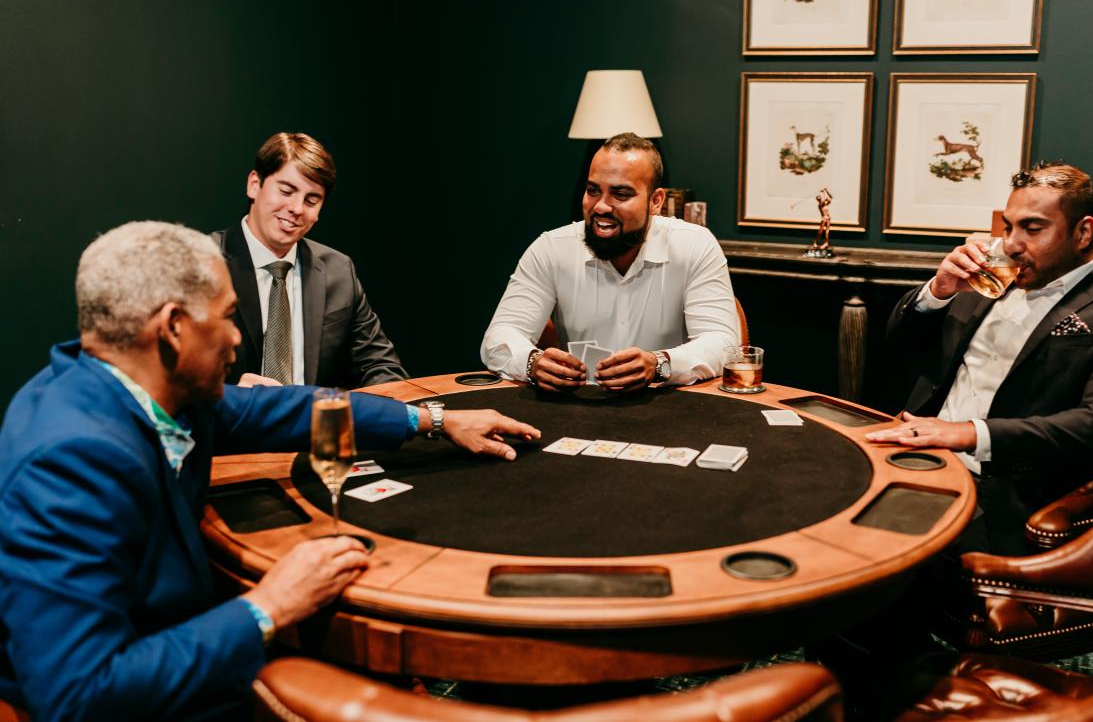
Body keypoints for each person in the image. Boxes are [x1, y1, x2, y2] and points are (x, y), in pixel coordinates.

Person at [0, 222, 539, 721]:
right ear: (173, 328)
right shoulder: (69, 459)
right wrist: (269, 607)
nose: (237, 339)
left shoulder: (151, 389)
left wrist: (434, 420)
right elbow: (77, 696)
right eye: (228, 316)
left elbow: (291, 410)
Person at [865, 161, 1093, 555]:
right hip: (915, 458)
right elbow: (902, 344)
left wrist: (970, 433)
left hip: (1005, 493)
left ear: (1083, 232)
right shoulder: (994, 273)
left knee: (875, 554)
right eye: (1008, 227)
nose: (1012, 244)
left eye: (1032, 229)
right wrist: (939, 291)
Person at [481, 132, 739, 392]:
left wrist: (659, 364)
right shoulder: (551, 248)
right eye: (593, 191)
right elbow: (499, 337)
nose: (601, 207)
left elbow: (723, 343)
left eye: (621, 194)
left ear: (655, 201)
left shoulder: (695, 245)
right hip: (577, 404)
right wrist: (532, 363)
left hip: (670, 404)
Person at [212, 132, 406, 389]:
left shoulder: (338, 270)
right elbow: (169, 379)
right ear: (254, 185)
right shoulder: (202, 263)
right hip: (232, 414)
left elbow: (380, 366)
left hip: (316, 414)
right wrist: (230, 397)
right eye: (286, 191)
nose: (297, 208)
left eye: (311, 200)